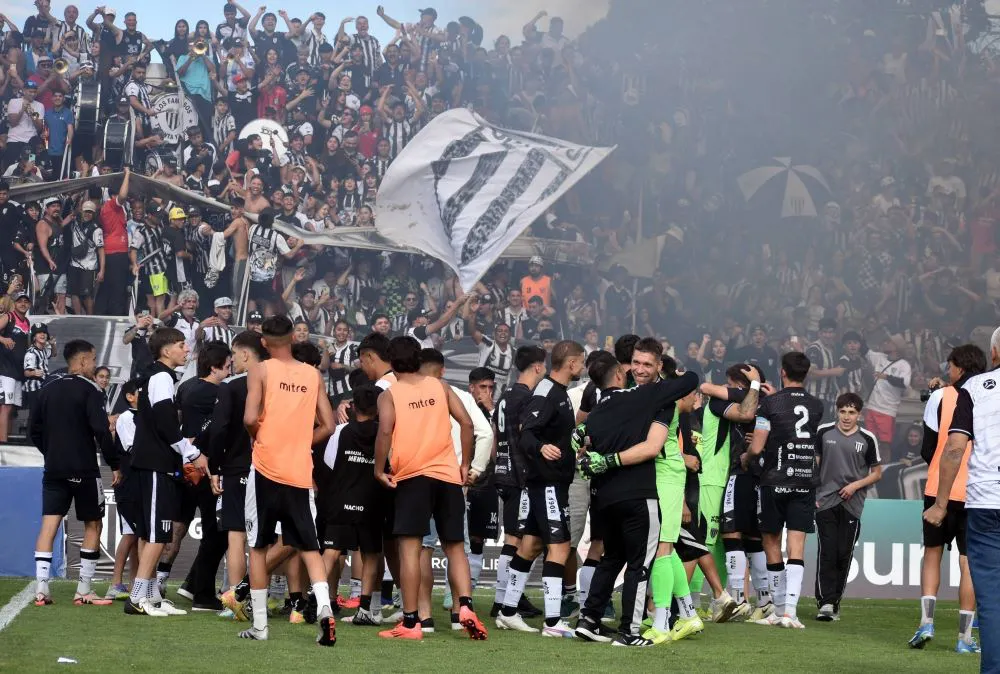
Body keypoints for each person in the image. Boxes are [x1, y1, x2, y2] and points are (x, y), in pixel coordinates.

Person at [572, 351, 700, 646]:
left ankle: (589, 620)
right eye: (635, 364)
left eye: (646, 364)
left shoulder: (605, 405)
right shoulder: (648, 398)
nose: (638, 370)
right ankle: (631, 630)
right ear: (623, 372)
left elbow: (579, 437)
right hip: (640, 492)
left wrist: (587, 449)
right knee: (643, 562)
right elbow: (652, 447)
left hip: (605, 496)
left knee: (611, 558)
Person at [373, 336, 488, 641]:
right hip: (447, 477)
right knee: (455, 548)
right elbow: (466, 423)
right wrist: (464, 466)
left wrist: (378, 468)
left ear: (392, 362)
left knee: (410, 549)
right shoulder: (440, 387)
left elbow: (385, 430)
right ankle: (465, 606)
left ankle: (411, 622)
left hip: (412, 476)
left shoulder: (390, 394)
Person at [240, 316, 337, 644]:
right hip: (299, 471)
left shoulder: (261, 370)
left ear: (264, 342)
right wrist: (299, 441)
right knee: (310, 546)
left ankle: (260, 627)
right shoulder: (312, 373)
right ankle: (324, 608)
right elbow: (329, 425)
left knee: (257, 546)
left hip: (266, 468)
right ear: (293, 337)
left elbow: (250, 417)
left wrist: (262, 436)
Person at [497, 340, 585, 637]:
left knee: (531, 546)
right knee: (559, 547)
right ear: (571, 363)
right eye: (581, 361)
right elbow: (525, 434)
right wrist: (542, 447)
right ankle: (553, 622)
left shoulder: (557, 393)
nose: (582, 367)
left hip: (550, 483)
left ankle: (508, 611)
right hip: (547, 484)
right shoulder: (546, 392)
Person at [925, 326, 1000, 672]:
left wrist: (940, 504)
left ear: (995, 354)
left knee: (992, 596)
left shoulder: (973, 389)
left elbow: (954, 448)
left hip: (986, 502)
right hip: (983, 502)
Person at [125, 327, 208, 618]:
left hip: (157, 463)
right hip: (155, 463)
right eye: (182, 345)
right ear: (166, 350)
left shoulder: (160, 376)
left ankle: (151, 598)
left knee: (154, 534)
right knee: (157, 536)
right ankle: (137, 599)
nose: (187, 350)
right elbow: (164, 420)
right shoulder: (161, 376)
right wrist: (190, 452)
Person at [28, 339, 118, 607]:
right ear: (81, 361)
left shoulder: (47, 388)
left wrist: (52, 452)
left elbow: (34, 430)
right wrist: (115, 464)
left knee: (49, 525)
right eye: (92, 360)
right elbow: (101, 429)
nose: (93, 365)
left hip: (54, 468)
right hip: (84, 469)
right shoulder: (91, 390)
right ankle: (84, 590)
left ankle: (42, 589)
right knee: (93, 524)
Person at [911, 344, 987, 653]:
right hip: (975, 491)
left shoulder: (940, 397)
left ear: (958, 367)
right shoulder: (989, 397)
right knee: (968, 563)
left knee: (932, 554)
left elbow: (928, 448)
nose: (947, 370)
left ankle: (926, 623)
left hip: (938, 490)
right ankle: (964, 639)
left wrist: (940, 476)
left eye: (950, 365)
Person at [743, 351, 824, 629]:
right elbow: (796, 414)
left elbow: (756, 447)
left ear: (782, 372)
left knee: (771, 542)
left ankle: (777, 610)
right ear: (806, 373)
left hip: (774, 480)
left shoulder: (770, 404)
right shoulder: (817, 406)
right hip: (804, 481)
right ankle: (790, 612)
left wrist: (746, 457)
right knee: (797, 546)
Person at [814, 392, 882, 621]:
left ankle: (835, 602)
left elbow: (876, 473)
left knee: (844, 553)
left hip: (853, 504)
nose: (846, 416)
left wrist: (855, 486)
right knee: (827, 552)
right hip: (825, 501)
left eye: (851, 412)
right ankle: (825, 603)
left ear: (859, 415)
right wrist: (814, 493)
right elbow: (815, 465)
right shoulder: (823, 432)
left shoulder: (867, 438)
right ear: (837, 411)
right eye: (842, 411)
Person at [213, 331, 268, 615]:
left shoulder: (231, 385)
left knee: (236, 535)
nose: (232, 360)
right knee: (265, 538)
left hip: (238, 467)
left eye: (234, 354)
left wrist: (213, 467)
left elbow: (220, 429)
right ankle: (264, 597)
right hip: (272, 466)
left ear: (245, 354)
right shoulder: (279, 382)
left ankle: (235, 600)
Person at [490, 345, 546, 619]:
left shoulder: (504, 395)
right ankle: (502, 600)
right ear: (537, 367)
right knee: (514, 537)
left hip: (502, 470)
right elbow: (526, 436)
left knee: (514, 535)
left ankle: (508, 598)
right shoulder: (525, 397)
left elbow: (495, 433)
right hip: (518, 474)